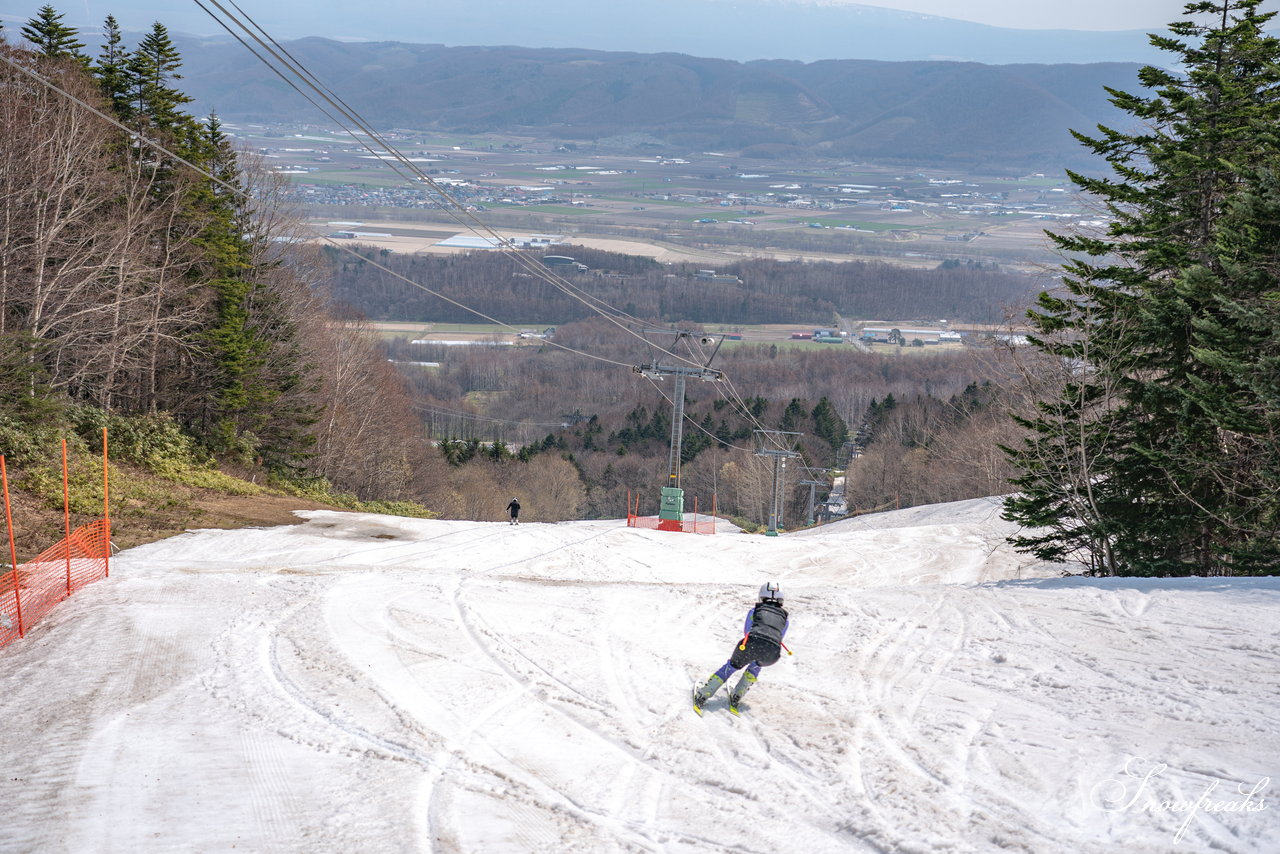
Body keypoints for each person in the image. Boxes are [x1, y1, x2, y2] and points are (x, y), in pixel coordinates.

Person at [694, 581, 790, 713]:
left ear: (761, 596)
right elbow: (779, 638)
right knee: (756, 665)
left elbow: (747, 632)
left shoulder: (755, 611)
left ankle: (703, 694)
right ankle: (737, 695)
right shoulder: (785, 619)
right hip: (772, 653)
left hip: (750, 644)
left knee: (731, 667)